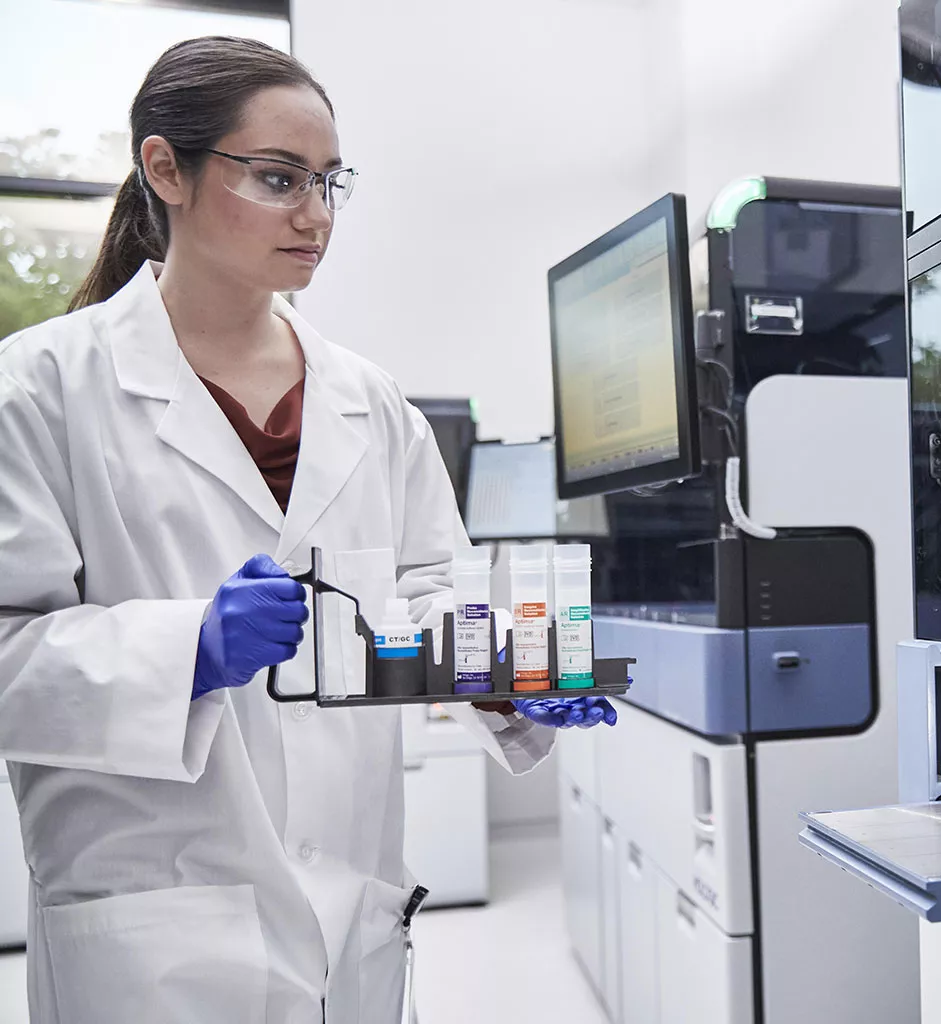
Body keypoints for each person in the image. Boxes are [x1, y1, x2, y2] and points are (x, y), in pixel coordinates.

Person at [0, 37, 614, 1023]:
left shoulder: (372, 404)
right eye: (280, 179)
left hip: (351, 928)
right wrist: (186, 646)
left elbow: (429, 595)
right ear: (169, 170)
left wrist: (507, 679)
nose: (316, 215)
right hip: (154, 947)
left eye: (331, 183)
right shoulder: (38, 391)